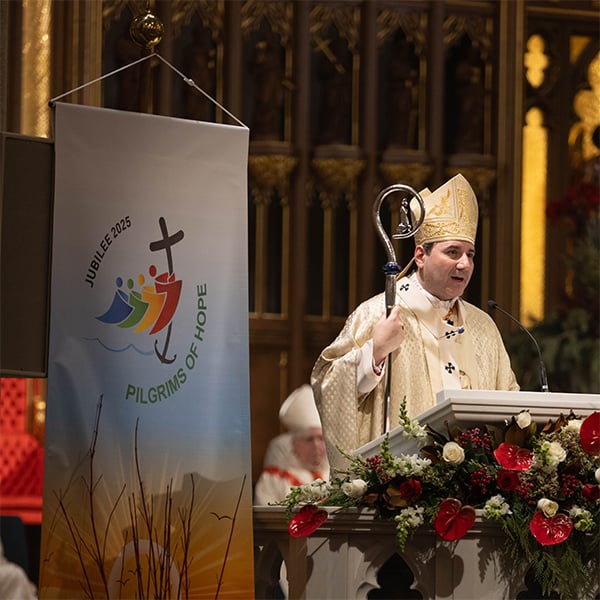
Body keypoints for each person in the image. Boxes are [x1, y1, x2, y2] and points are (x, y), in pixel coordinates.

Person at [312, 173, 519, 471]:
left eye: (470, 254)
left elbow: (508, 400)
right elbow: (326, 382)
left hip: (474, 486)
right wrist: (375, 352)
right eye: (453, 252)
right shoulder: (380, 312)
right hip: (403, 484)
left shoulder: (483, 326)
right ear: (420, 255)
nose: (465, 264)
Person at [254, 384, 330, 505]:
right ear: (294, 444)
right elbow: (266, 519)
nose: (316, 445)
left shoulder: (334, 476)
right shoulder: (274, 478)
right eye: (309, 439)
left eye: (321, 439)